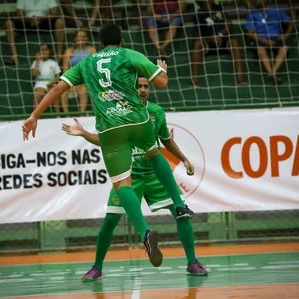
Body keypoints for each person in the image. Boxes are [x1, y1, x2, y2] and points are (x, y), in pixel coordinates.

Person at [22, 23, 194, 268]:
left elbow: (59, 88)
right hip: (138, 119)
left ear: (100, 44)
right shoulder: (129, 54)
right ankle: (179, 205)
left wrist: (34, 115)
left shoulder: (87, 62)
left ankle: (145, 233)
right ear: (121, 42)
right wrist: (160, 70)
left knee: (122, 185)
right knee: (154, 151)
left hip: (110, 128)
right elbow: (162, 83)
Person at [63, 76, 208, 281]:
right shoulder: (118, 112)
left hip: (154, 175)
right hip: (129, 177)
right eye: (138, 86)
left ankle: (193, 262)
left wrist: (183, 159)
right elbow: (106, 142)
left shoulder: (156, 112)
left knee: (181, 212)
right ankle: (97, 267)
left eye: (145, 86)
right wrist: (84, 133)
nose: (142, 89)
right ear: (130, 89)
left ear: (150, 90)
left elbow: (166, 140)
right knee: (109, 222)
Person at [191, 0, 247, 87]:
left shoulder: (219, 8)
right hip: (208, 44)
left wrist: (219, 35)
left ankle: (239, 80)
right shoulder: (199, 14)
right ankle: (194, 82)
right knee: (197, 44)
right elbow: (196, 36)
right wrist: (211, 38)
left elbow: (229, 24)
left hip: (224, 41)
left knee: (234, 42)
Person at [245, 0, 294, 85]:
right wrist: (264, 40)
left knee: (284, 48)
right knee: (261, 49)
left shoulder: (276, 10)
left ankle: (272, 73)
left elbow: (291, 23)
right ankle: (272, 73)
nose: (256, 1)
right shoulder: (251, 14)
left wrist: (286, 35)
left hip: (275, 38)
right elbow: (250, 34)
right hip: (260, 39)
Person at [5, 0, 65, 65]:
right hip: (28, 22)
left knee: (60, 22)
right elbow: (20, 15)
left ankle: (59, 55)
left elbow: (54, 14)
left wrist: (40, 18)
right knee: (9, 23)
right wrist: (31, 19)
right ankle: (14, 56)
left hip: (44, 21)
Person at [61, 30, 96, 112]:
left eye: (83, 36)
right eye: (79, 36)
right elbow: (65, 70)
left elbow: (94, 68)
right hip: (73, 80)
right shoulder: (69, 51)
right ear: (75, 38)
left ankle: (82, 114)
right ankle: (66, 115)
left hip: (87, 79)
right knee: (62, 91)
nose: (81, 38)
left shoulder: (91, 50)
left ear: (87, 39)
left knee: (83, 89)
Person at [31, 44, 61, 110]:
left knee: (55, 93)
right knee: (37, 95)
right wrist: (38, 61)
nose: (44, 52)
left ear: (50, 51)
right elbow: (34, 74)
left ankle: (57, 115)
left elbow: (58, 77)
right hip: (40, 83)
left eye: (46, 50)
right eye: (42, 50)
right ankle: (35, 115)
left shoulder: (53, 63)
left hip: (51, 82)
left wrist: (52, 82)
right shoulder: (35, 62)